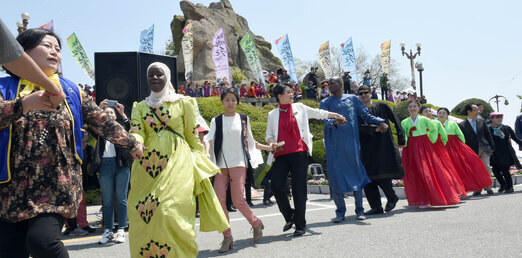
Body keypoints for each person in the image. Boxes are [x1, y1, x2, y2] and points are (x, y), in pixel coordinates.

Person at [0, 28, 143, 257]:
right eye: (47, 45)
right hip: (9, 189)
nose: (55, 52)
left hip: (55, 186)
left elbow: (102, 122)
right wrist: (25, 104)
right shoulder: (4, 87)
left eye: (58, 48)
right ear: (22, 52)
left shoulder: (73, 90)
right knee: (9, 250)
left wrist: (131, 143)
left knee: (42, 242)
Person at [127, 62, 228, 257]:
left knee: (169, 211)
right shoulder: (139, 107)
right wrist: (136, 143)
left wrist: (200, 157)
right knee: (144, 213)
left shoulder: (184, 102)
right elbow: (137, 131)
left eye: (159, 75)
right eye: (151, 75)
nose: (155, 78)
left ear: (168, 77)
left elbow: (192, 135)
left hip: (178, 163)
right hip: (147, 167)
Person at [266, 83, 345, 236]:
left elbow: (318, 113)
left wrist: (335, 115)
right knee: (275, 186)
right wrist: (271, 142)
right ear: (279, 96)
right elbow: (269, 135)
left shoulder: (300, 108)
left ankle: (300, 225)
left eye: (292, 91)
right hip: (280, 155)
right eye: (288, 92)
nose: (291, 94)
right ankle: (290, 216)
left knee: (299, 189)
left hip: (299, 153)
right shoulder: (272, 114)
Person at [205, 89, 272, 252]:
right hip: (221, 165)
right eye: (227, 100)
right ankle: (227, 236)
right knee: (219, 201)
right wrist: (207, 152)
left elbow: (250, 141)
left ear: (237, 102)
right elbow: (208, 138)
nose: (230, 103)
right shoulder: (216, 120)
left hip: (239, 164)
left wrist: (268, 147)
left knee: (237, 201)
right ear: (222, 102)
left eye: (233, 100)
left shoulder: (243, 119)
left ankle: (256, 223)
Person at [321, 79, 387, 222]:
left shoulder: (353, 99)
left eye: (332, 84)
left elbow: (366, 115)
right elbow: (325, 120)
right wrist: (335, 121)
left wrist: (380, 121)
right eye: (329, 84)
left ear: (340, 85)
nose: (329, 86)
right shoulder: (325, 102)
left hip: (351, 145)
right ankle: (340, 211)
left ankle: (359, 210)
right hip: (334, 146)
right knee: (335, 176)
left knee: (356, 174)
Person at [401, 100, 461, 207]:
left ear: (419, 108)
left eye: (415, 106)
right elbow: (404, 134)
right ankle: (422, 199)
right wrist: (405, 143)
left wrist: (431, 140)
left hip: (424, 145)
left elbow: (433, 130)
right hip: (411, 147)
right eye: (410, 106)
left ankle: (433, 197)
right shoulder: (404, 122)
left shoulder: (424, 119)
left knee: (427, 171)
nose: (412, 108)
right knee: (416, 172)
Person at [356, 85, 404, 215]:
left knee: (383, 173)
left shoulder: (382, 106)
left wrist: (401, 137)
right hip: (366, 146)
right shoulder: (357, 111)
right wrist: (374, 129)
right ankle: (376, 207)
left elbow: (395, 120)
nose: (364, 95)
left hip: (384, 144)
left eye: (366, 92)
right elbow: (358, 127)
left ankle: (391, 197)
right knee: (367, 176)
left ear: (371, 94)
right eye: (361, 93)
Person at [92, 100, 133, 244]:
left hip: (121, 164)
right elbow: (90, 125)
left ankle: (121, 229)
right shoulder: (100, 128)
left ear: (115, 116)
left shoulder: (121, 127)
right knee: (107, 200)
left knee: (122, 199)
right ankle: (108, 230)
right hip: (105, 164)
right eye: (106, 112)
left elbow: (131, 129)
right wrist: (99, 108)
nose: (109, 114)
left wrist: (123, 114)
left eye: (111, 112)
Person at [436, 108, 492, 193]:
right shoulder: (434, 124)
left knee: (456, 169)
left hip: (452, 149)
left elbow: (460, 136)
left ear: (447, 115)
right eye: (440, 113)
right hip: (440, 148)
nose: (441, 115)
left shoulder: (453, 124)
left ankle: (482, 186)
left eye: (444, 113)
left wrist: (461, 148)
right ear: (437, 114)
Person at [420, 106, 467, 197]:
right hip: (425, 149)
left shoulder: (437, 122)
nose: (429, 113)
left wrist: (444, 146)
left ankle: (454, 190)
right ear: (421, 113)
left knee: (446, 169)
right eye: (426, 111)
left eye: (430, 111)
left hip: (438, 148)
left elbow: (445, 136)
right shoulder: (418, 123)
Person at [458, 103, 495, 196]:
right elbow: (461, 139)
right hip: (471, 150)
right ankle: (478, 189)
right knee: (476, 170)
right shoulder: (462, 125)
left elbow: (488, 134)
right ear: (468, 111)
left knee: (486, 166)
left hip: (484, 148)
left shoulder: (481, 121)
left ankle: (488, 187)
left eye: (478, 110)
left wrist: (492, 146)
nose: (477, 112)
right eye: (475, 110)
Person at [488, 112, 522, 193]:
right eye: (497, 117)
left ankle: (510, 187)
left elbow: (515, 139)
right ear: (492, 119)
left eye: (501, 117)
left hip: (506, 152)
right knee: (495, 171)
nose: (500, 119)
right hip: (494, 154)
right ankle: (503, 185)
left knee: (505, 170)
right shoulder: (488, 129)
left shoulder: (507, 128)